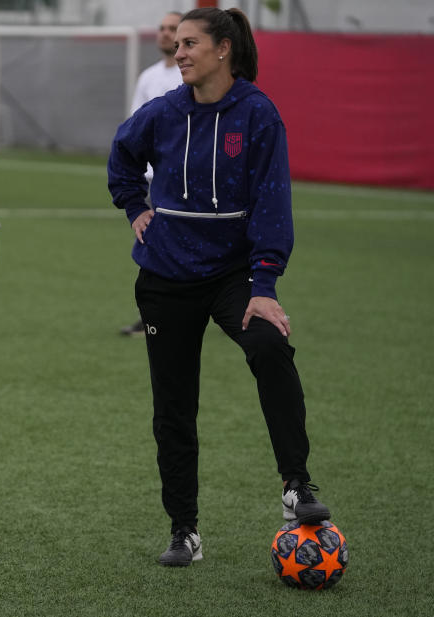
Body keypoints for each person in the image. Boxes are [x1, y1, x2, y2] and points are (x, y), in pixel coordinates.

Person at [106, 7, 333, 568]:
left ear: (223, 49)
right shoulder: (161, 112)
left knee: (270, 345)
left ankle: (297, 486)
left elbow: (273, 204)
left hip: (233, 276)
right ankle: (185, 531)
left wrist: (264, 284)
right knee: (175, 405)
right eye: (177, 44)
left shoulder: (258, 115)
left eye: (189, 44)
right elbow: (122, 157)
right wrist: (134, 205)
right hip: (165, 279)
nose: (178, 52)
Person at [120, 11, 183, 337]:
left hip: (182, 178)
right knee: (153, 245)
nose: (164, 34)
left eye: (172, 29)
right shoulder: (148, 77)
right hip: (152, 179)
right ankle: (155, 317)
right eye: (161, 28)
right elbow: (134, 127)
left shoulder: (190, 77)